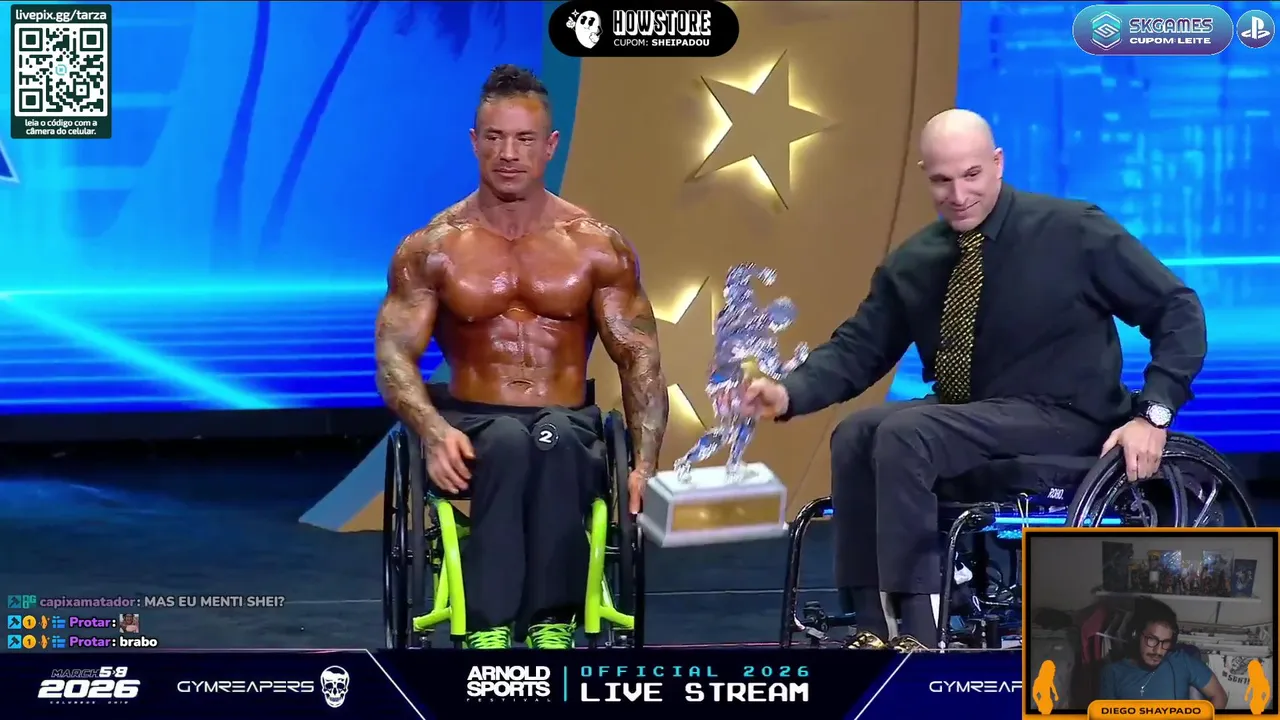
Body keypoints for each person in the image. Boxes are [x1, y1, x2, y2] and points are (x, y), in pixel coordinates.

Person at [744, 109, 1207, 650]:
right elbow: (858, 349)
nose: (959, 195)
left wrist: (1153, 414)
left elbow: (1178, 310)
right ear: (925, 174)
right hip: (970, 416)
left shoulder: (1073, 230)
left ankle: (918, 628)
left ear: (998, 163)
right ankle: (870, 623)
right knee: (856, 432)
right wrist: (788, 393)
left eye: (971, 175)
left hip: (1068, 416)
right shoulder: (916, 261)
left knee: (907, 433)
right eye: (942, 180)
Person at [374, 65, 668, 650]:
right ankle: (487, 623)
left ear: (550, 146)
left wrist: (644, 463)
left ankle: (551, 621)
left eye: (525, 139)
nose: (509, 154)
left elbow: (640, 357)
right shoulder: (433, 248)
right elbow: (394, 357)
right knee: (508, 442)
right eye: (496, 137)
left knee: (553, 437)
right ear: (474, 141)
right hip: (473, 423)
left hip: (569, 424)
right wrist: (432, 431)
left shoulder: (596, 246)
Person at [1098, 601, 1227, 707]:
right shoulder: (1112, 673)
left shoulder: (1182, 661)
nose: (1158, 651)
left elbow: (1219, 695)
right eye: (1152, 640)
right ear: (1136, 636)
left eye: (1165, 642)